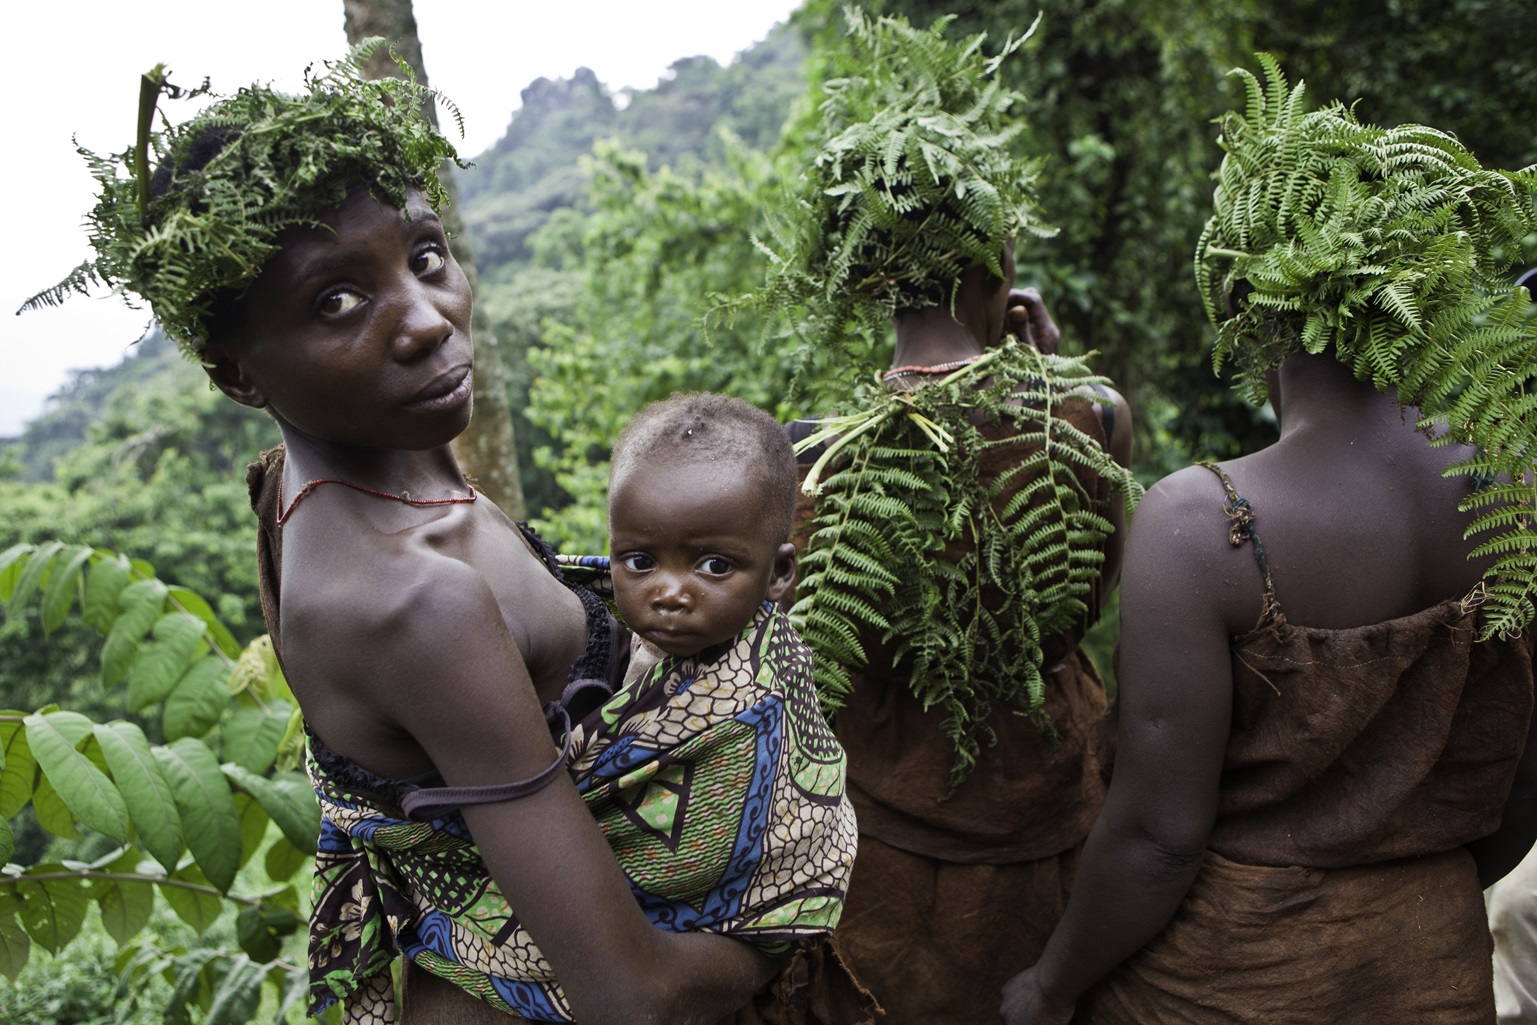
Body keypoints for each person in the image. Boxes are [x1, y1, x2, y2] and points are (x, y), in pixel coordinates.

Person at [26, 43, 845, 1025]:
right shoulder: (411, 600)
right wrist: (782, 936)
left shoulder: (358, 460)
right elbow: (637, 997)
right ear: (239, 373)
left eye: (423, 256)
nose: (427, 320)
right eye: (338, 299)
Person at [1001, 59, 1537, 1025]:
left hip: (1229, 981)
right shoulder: (1515, 490)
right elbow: (1517, 790)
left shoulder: (1201, 523)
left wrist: (1047, 986)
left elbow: (1157, 841)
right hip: (1434, 965)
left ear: (1246, 303)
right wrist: (1403, 888)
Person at [763, 14, 1137, 1023]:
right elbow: (1082, 591)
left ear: (863, 278)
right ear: (998, 256)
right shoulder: (1092, 415)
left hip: (878, 843)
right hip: (1053, 823)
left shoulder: (814, 452)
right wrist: (1059, 369)